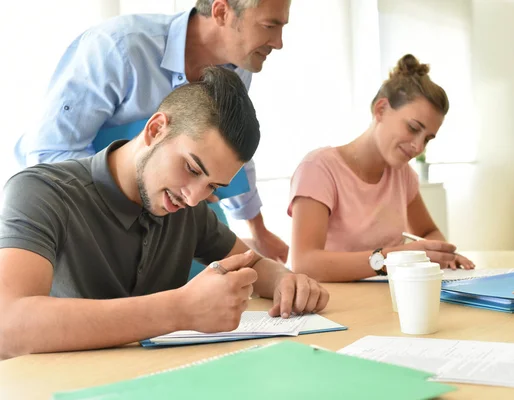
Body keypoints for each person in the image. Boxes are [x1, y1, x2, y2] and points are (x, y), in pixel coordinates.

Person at [0, 67, 329, 360]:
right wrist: (181, 309)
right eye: (191, 168)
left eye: (213, 186)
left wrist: (288, 281)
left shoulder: (189, 208)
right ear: (156, 129)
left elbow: (253, 265)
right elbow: (9, 324)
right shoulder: (40, 192)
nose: (193, 196)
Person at [13, 0, 290, 263]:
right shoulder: (118, 48)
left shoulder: (238, 67)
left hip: (180, 209)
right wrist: (134, 201)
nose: (278, 43)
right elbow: (49, 152)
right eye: (269, 26)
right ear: (221, 12)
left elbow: (230, 150)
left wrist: (258, 230)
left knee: (224, 284)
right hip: (97, 212)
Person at [287, 54, 475, 282]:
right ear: (381, 109)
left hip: (387, 300)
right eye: (413, 128)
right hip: (332, 305)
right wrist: (390, 259)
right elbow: (304, 263)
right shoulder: (318, 169)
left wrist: (438, 253)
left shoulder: (402, 175)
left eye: (427, 139)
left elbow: (429, 233)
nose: (418, 146)